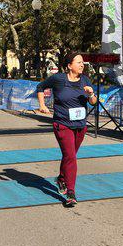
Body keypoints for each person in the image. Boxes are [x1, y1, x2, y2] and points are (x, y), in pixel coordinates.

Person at [36, 52, 97, 207]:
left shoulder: (85, 80)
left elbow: (93, 102)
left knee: (70, 156)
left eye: (83, 62)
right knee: (70, 156)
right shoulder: (58, 79)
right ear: (69, 65)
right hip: (62, 124)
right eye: (79, 62)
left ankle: (61, 179)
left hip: (80, 126)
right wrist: (42, 105)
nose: (82, 65)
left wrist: (91, 94)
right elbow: (40, 86)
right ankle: (71, 192)